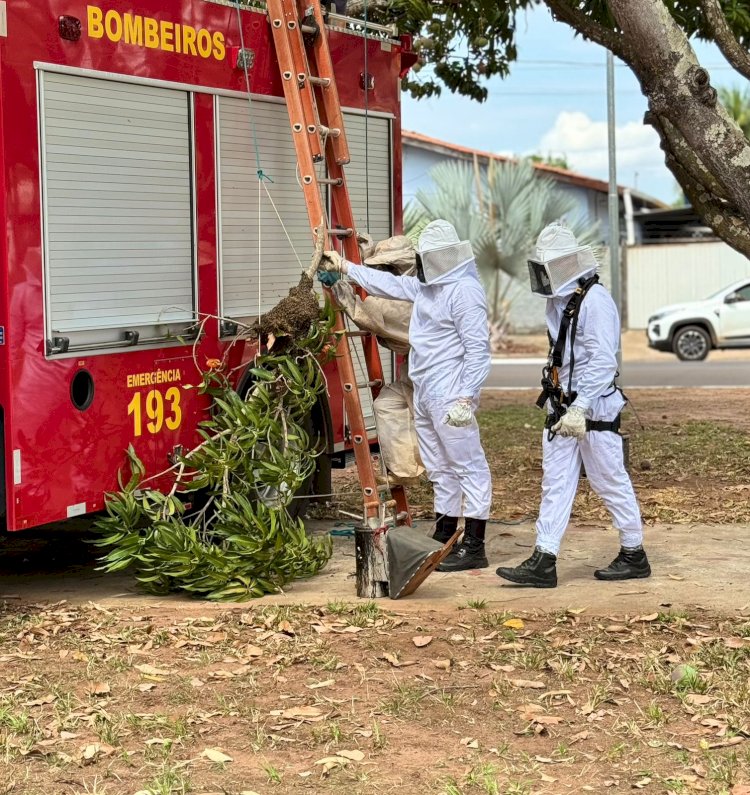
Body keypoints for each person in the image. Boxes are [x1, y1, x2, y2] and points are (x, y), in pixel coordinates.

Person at [319, 220, 492, 571]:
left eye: (427, 259)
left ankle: (474, 544)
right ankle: (445, 532)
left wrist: (466, 397)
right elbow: (390, 283)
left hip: (450, 392)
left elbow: (478, 351)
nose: (422, 265)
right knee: (440, 466)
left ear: (443, 258)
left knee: (468, 466)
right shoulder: (428, 287)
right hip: (427, 388)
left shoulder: (464, 291)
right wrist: (345, 267)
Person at [496, 222, 650, 588]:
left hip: (593, 408)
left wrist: (581, 408)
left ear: (566, 265)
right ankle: (544, 559)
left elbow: (602, 361)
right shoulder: (561, 299)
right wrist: (565, 404)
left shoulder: (596, 302)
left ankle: (634, 553)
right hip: (563, 406)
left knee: (609, 479)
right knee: (556, 483)